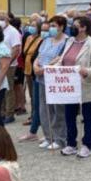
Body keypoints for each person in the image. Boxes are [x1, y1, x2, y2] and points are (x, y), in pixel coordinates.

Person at [46, 15, 91, 158]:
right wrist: (55, 68)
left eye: (75, 25)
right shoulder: (70, 41)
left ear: (83, 28)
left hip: (86, 86)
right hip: (69, 86)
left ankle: (86, 144)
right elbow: (63, 59)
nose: (72, 27)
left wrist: (86, 71)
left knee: (88, 116)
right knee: (69, 116)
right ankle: (71, 143)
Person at [33, 15, 69, 151]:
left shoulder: (66, 41)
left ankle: (60, 138)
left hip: (55, 79)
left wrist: (44, 68)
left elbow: (60, 58)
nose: (51, 29)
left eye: (54, 26)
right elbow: (39, 55)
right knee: (44, 108)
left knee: (57, 109)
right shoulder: (47, 40)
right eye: (51, 26)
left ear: (61, 27)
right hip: (42, 79)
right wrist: (36, 66)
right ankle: (49, 137)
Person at [20, 17, 46, 142]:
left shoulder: (43, 39)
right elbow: (25, 53)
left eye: (34, 25)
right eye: (30, 24)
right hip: (29, 70)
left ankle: (39, 129)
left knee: (39, 103)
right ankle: (33, 129)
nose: (31, 27)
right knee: (34, 101)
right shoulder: (28, 37)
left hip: (40, 72)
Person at [0, 11, 22, 124]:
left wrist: (8, 62)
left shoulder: (13, 32)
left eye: (2, 18)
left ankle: (9, 114)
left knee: (8, 89)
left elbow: (16, 48)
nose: (0, 21)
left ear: (7, 19)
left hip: (9, 65)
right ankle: (1, 112)